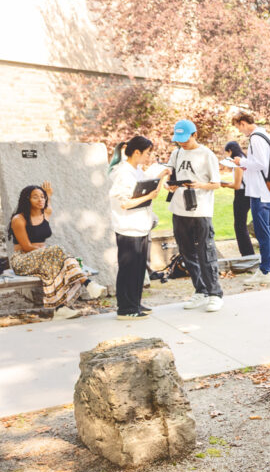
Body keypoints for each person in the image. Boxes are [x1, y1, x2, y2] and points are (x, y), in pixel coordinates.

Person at [8, 183, 106, 319]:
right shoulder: (19, 219)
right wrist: (49, 252)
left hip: (44, 259)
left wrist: (48, 195)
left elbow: (47, 204)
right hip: (22, 260)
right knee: (58, 252)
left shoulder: (46, 212)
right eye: (35, 197)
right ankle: (88, 283)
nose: (40, 200)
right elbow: (26, 247)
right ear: (27, 199)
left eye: (42, 197)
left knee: (65, 263)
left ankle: (60, 309)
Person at [108, 136, 170, 321]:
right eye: (147, 153)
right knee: (128, 268)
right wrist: (148, 196)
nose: (148, 157)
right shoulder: (123, 173)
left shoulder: (136, 170)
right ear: (136, 152)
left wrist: (160, 178)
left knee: (139, 267)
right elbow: (125, 203)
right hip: (128, 228)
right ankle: (125, 308)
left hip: (141, 226)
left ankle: (135, 302)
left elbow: (147, 187)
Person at [167, 119, 224, 312]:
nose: (182, 142)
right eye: (178, 139)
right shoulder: (176, 153)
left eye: (185, 138)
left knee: (206, 252)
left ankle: (215, 293)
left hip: (201, 210)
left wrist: (199, 185)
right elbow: (170, 176)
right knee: (187, 252)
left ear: (195, 135)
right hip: (179, 208)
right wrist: (171, 184)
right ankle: (200, 291)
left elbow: (217, 183)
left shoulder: (207, 155)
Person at [231, 110, 270, 284]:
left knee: (263, 232)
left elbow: (260, 163)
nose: (241, 131)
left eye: (240, 127)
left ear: (243, 123)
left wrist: (241, 162)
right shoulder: (266, 135)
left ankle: (265, 270)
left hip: (260, 192)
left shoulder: (255, 137)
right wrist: (248, 166)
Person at [221, 141, 255, 257]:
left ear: (230, 151)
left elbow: (237, 185)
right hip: (248, 193)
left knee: (239, 225)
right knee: (241, 224)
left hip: (242, 194)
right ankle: (247, 252)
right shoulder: (244, 158)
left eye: (227, 153)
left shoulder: (238, 163)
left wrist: (224, 184)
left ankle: (247, 253)